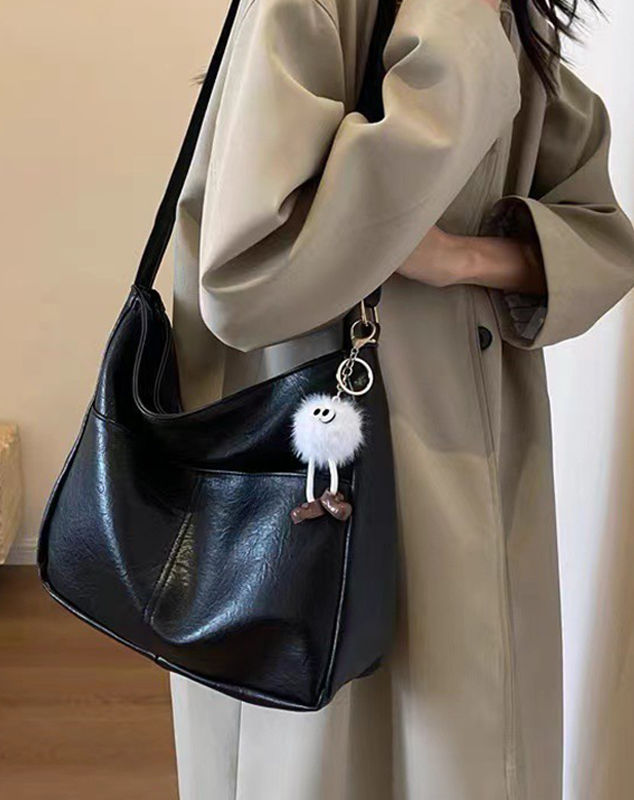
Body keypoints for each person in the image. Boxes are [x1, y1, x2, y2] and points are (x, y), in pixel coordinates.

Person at [168, 0, 634, 797]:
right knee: (327, 749)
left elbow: (600, 238)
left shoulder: (502, 17)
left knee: (467, 736)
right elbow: (244, 280)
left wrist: (461, 259)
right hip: (319, 466)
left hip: (471, 448)